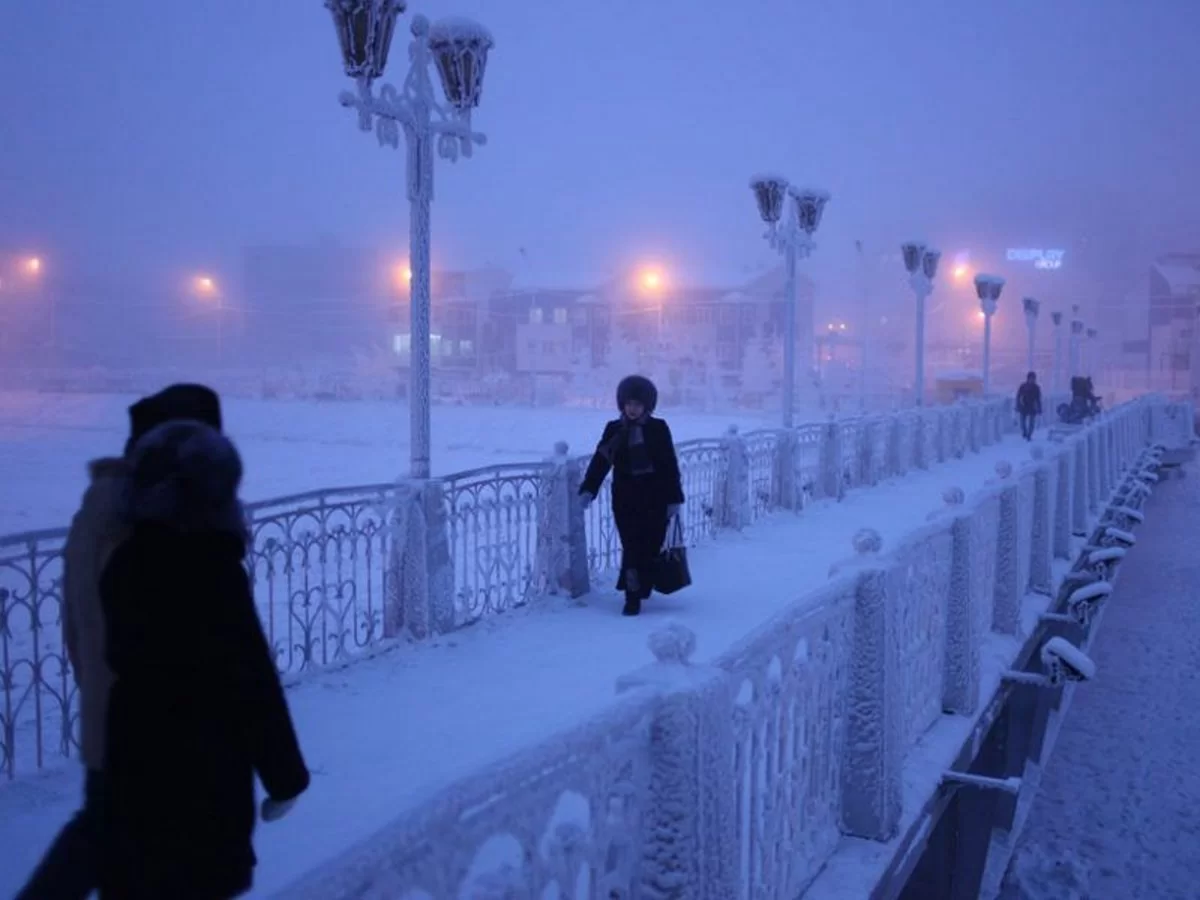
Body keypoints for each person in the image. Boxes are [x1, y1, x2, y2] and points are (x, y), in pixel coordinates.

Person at [15, 383, 224, 900]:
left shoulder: (104, 512)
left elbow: (78, 625)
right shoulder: (136, 522)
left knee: (112, 837)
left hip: (117, 713)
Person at [97, 414, 309, 899]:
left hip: (133, 764)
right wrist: (284, 777)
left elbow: (114, 657)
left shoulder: (124, 563)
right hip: (206, 771)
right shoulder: (212, 572)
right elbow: (250, 679)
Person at [579, 375, 685, 616]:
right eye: (628, 404)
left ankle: (643, 583)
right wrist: (589, 489)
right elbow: (601, 461)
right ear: (622, 405)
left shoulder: (658, 428)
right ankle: (632, 596)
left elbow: (669, 464)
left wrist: (673, 499)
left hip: (655, 499)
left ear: (646, 405)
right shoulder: (614, 429)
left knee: (651, 545)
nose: (632, 409)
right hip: (625, 499)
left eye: (637, 404)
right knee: (631, 547)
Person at [1016, 371, 1043, 441]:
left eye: (1033, 378)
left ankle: (1029, 434)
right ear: (1028, 378)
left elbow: (1038, 399)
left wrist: (1039, 408)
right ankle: (1024, 431)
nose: (1032, 380)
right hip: (1024, 405)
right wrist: (1018, 405)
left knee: (1032, 423)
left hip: (1032, 406)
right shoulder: (1023, 386)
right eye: (1031, 378)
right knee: (1022, 422)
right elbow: (1018, 396)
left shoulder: (1036, 388)